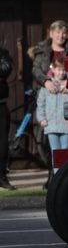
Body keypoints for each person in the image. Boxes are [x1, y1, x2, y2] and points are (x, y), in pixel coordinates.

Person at [35, 57, 68, 169]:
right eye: (59, 69)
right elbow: (41, 103)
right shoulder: (47, 85)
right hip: (51, 124)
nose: (62, 72)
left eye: (64, 70)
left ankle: (65, 175)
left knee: (66, 150)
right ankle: (58, 176)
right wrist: (41, 118)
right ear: (53, 70)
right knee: (55, 151)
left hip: (66, 124)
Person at [31, 20, 68, 94]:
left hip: (67, 92)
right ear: (51, 34)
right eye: (58, 32)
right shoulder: (42, 51)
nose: (61, 36)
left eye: (64, 33)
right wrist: (45, 81)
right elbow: (36, 70)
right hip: (45, 92)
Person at [0, 45, 14, 190]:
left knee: (2, 141)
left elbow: (5, 69)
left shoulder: (2, 52)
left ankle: (1, 175)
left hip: (0, 103)